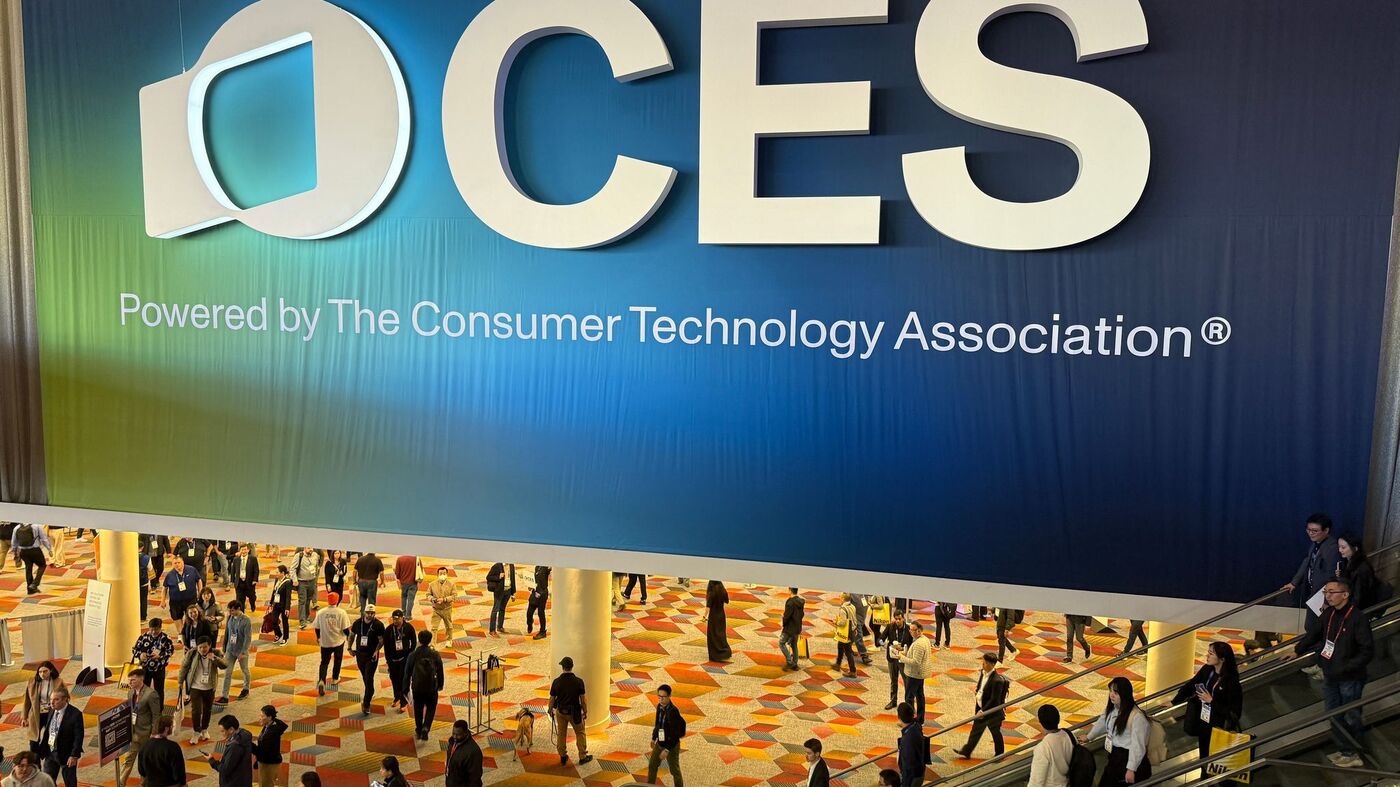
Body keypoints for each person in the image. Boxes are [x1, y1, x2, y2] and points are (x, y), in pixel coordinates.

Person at [1281, 577, 1374, 768]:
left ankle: (1354, 753)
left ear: (1345, 594)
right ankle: (1344, 749)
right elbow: (1313, 634)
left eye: (1332, 592)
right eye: (1326, 592)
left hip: (1350, 678)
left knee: (1351, 715)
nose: (1327, 596)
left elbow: (1367, 650)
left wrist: (1346, 667)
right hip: (1331, 674)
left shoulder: (1357, 618)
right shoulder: (1330, 613)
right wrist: (1297, 650)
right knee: (1333, 714)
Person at [1173, 641, 1242, 776]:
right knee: (1204, 761)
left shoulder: (1231, 682)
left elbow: (1234, 713)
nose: (1207, 656)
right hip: (1204, 724)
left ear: (1222, 659)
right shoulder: (1208, 670)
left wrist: (1211, 701)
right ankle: (1204, 779)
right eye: (1208, 652)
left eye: (1211, 653)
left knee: (1219, 765)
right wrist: (1174, 701)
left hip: (1220, 730)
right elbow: (1192, 684)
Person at [1081, 676, 1152, 785]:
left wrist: (1131, 769)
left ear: (1124, 694)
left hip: (1127, 758)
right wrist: (1089, 736)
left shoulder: (1137, 717)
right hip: (1114, 756)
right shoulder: (1113, 708)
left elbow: (1137, 746)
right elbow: (1102, 722)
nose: (1111, 695)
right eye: (1110, 691)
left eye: (1116, 693)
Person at [1281, 512, 1340, 625]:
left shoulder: (1332, 548)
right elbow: (1307, 562)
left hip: (1321, 595)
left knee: (1314, 626)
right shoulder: (1315, 544)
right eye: (1308, 530)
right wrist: (1294, 583)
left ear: (1326, 530)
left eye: (1315, 531)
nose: (1310, 533)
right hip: (1311, 592)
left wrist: (1327, 599)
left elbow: (1331, 577)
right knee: (1310, 625)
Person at [954, 653, 1010, 758]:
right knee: (976, 730)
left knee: (995, 732)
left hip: (992, 712)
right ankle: (967, 750)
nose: (983, 664)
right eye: (983, 662)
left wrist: (983, 711)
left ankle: (999, 754)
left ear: (992, 664)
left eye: (985, 663)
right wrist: (978, 692)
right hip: (981, 708)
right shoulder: (982, 673)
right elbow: (981, 686)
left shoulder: (997, 681)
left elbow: (995, 699)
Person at [117, 668, 163, 787]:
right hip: (133, 732)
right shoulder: (130, 692)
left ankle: (143, 784)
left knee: (144, 762)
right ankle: (120, 783)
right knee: (128, 759)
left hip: (146, 734)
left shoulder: (151, 694)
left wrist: (154, 733)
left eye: (133, 680)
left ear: (141, 679)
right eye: (129, 680)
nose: (130, 682)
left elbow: (156, 715)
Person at [179, 637, 227, 744]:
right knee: (196, 710)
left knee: (207, 709)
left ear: (209, 646)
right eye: (200, 647)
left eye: (205, 647)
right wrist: (180, 681)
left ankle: (205, 729)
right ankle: (196, 731)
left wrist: (214, 658)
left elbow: (224, 665)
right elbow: (184, 667)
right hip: (195, 687)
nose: (202, 649)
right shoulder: (192, 653)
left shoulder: (216, 653)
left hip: (209, 687)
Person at [548, 656, 593, 765]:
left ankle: (562, 755)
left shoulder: (556, 682)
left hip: (560, 712)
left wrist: (550, 710)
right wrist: (585, 711)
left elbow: (552, 698)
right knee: (580, 732)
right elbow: (583, 700)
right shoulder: (579, 682)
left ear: (562, 667)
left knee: (561, 734)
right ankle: (582, 756)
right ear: (572, 667)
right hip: (575, 713)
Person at [39, 685, 82, 787]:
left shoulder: (75, 714)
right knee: (47, 781)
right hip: (51, 752)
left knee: (70, 782)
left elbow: (78, 737)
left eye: (56, 699)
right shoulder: (51, 709)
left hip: (66, 754)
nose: (52, 702)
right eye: (51, 699)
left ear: (65, 699)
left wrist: (74, 756)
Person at [406, 630, 444, 740]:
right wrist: (440, 684)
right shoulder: (435, 654)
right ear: (430, 640)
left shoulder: (413, 655)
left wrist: (405, 687)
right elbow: (440, 670)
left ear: (419, 640)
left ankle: (419, 729)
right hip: (431, 687)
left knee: (418, 709)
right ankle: (426, 727)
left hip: (417, 687)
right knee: (431, 708)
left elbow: (407, 672)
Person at [349, 603, 386, 715]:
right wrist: (349, 648)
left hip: (372, 656)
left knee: (369, 677)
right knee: (365, 677)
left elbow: (381, 640)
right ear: (364, 612)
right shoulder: (357, 623)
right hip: (360, 654)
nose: (370, 615)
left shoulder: (378, 625)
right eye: (368, 613)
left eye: (372, 613)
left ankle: (366, 704)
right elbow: (352, 635)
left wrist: (376, 650)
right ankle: (370, 691)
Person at [894, 620, 933, 726]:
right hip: (920, 674)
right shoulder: (924, 639)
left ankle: (908, 721)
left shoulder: (919, 644)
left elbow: (915, 662)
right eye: (910, 629)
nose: (910, 632)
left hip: (914, 674)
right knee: (920, 696)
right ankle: (920, 720)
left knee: (909, 698)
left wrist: (901, 657)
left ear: (919, 631)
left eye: (912, 630)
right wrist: (906, 653)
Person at [645, 683, 685, 785]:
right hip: (660, 742)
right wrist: (654, 738)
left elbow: (675, 734)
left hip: (671, 745)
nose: (661, 699)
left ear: (669, 696)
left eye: (663, 697)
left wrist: (667, 750)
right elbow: (658, 724)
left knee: (674, 770)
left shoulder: (673, 712)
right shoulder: (659, 707)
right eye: (659, 697)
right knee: (652, 765)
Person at [313, 591, 351, 696]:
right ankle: (335, 678)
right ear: (337, 600)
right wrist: (349, 637)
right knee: (338, 660)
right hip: (338, 641)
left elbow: (317, 627)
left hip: (325, 642)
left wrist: (318, 637)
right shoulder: (341, 613)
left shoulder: (321, 612)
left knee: (324, 662)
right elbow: (345, 629)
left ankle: (322, 680)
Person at [22, 662, 63, 754]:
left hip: (52, 713)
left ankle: (50, 757)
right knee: (34, 741)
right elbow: (27, 700)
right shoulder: (32, 682)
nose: (42, 674)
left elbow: (65, 698)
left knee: (51, 738)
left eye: (45, 671)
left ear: (51, 670)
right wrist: (24, 717)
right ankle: (35, 760)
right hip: (36, 714)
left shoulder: (58, 682)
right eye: (40, 672)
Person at [217, 601, 253, 704]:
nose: (230, 612)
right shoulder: (230, 618)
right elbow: (227, 634)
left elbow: (248, 638)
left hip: (241, 650)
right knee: (227, 672)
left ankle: (246, 689)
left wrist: (243, 652)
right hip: (230, 649)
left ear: (238, 609)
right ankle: (225, 696)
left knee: (244, 670)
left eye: (232, 610)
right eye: (229, 610)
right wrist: (224, 648)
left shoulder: (246, 620)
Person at [1028, 704, 1072, 787]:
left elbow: (1036, 782)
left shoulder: (1043, 747)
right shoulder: (1069, 735)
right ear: (1058, 719)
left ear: (1040, 722)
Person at [137, 715, 185, 787]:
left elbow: (141, 771)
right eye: (172, 726)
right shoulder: (173, 747)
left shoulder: (144, 746)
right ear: (166, 729)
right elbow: (178, 773)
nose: (173, 728)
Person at [206, 715, 253, 787]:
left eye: (223, 731)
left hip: (233, 783)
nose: (222, 734)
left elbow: (225, 769)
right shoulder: (244, 736)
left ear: (231, 729)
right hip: (244, 780)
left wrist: (211, 760)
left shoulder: (234, 746)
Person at [384, 609, 418, 712]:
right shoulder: (389, 629)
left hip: (404, 659)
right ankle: (397, 697)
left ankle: (404, 701)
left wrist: (410, 655)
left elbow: (414, 642)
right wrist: (388, 660)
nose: (395, 621)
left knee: (403, 680)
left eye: (397, 619)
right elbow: (386, 647)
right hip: (393, 660)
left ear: (402, 618)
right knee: (394, 679)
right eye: (394, 619)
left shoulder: (408, 628)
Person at [1337, 533, 1378, 611]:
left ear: (1355, 548)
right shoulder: (1348, 562)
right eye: (1339, 547)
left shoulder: (1362, 569)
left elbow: (1358, 597)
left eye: (1343, 547)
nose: (1340, 550)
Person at [882, 610, 913, 710]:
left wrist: (904, 648)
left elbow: (912, 643)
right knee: (893, 680)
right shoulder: (890, 627)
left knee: (906, 681)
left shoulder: (908, 629)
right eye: (896, 619)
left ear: (903, 618)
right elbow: (881, 639)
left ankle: (908, 703)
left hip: (903, 659)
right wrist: (884, 645)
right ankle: (893, 701)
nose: (897, 621)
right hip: (892, 658)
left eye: (899, 619)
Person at [12, 523, 53, 594]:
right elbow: (44, 539)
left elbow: (14, 542)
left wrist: (15, 552)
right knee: (42, 565)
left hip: (23, 551)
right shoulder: (37, 526)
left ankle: (30, 590)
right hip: (35, 550)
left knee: (28, 568)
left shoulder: (16, 528)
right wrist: (49, 549)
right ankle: (34, 584)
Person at [251, 705, 286, 787]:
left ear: (269, 717)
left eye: (262, 716)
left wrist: (249, 744)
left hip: (269, 763)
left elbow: (261, 751)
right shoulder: (270, 725)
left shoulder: (271, 734)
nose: (260, 718)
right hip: (268, 760)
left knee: (265, 784)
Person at [163, 555, 203, 621]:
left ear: (183, 562)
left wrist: (200, 592)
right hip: (175, 602)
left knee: (192, 618)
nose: (177, 564)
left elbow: (199, 580)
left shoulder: (191, 570)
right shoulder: (170, 575)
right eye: (175, 563)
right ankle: (181, 628)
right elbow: (165, 588)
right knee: (177, 618)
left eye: (179, 562)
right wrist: (163, 600)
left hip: (190, 600)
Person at [445, 719, 484, 787]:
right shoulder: (452, 741)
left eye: (458, 735)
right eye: (453, 733)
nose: (454, 737)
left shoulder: (473, 752)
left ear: (465, 733)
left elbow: (475, 778)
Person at [292, 547, 322, 628]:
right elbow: (292, 569)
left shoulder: (315, 555)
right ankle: (302, 621)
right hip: (302, 582)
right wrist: (295, 580)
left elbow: (316, 567)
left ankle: (307, 617)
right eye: (309, 548)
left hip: (312, 581)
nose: (311, 549)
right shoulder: (299, 556)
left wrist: (316, 578)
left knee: (308, 600)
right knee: (302, 601)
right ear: (305, 548)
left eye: (312, 548)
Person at [896, 702, 924, 787]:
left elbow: (908, 767)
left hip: (911, 778)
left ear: (899, 717)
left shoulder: (908, 739)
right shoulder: (916, 726)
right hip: (919, 772)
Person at [703, 580, 732, 662]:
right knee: (721, 634)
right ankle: (724, 651)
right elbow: (727, 601)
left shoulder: (711, 593)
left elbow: (708, 607)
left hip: (713, 616)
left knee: (713, 635)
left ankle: (715, 654)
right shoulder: (723, 591)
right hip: (721, 615)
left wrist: (704, 616)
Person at [427, 567, 458, 644]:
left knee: (449, 627)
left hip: (447, 609)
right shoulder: (432, 584)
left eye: (444, 573)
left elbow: (454, 596)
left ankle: (449, 641)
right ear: (437, 574)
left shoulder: (451, 584)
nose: (442, 575)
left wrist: (444, 599)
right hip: (436, 610)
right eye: (440, 573)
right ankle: (433, 644)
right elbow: (428, 594)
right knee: (434, 628)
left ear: (447, 574)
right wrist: (433, 599)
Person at [833, 593, 859, 676]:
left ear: (843, 599)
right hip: (852, 631)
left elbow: (843, 622)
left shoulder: (843, 609)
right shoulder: (853, 606)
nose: (839, 598)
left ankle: (853, 671)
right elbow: (854, 619)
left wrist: (836, 622)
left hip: (846, 633)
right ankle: (838, 664)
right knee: (840, 646)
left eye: (840, 597)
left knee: (848, 652)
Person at [779, 587, 805, 671]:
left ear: (790, 590)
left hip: (789, 628)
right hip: (797, 627)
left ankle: (789, 662)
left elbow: (787, 616)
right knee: (794, 645)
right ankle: (795, 664)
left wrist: (784, 623)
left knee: (781, 643)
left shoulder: (790, 602)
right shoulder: (801, 601)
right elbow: (802, 614)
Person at [230, 544, 259, 612]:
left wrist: (255, 580)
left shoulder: (253, 559)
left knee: (252, 597)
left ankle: (252, 605)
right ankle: (242, 613)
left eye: (245, 549)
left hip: (249, 582)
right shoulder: (236, 559)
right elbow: (233, 571)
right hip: (239, 583)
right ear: (240, 551)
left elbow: (256, 570)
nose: (244, 551)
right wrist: (232, 581)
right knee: (240, 600)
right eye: (242, 550)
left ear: (248, 550)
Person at [267, 566, 293, 645]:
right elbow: (274, 592)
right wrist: (271, 603)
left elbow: (288, 596)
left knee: (285, 622)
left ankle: (285, 638)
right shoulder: (277, 580)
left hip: (284, 605)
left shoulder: (288, 582)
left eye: (277, 572)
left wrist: (287, 608)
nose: (276, 574)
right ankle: (278, 634)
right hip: (276, 604)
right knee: (274, 620)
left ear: (282, 573)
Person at [526, 564, 550, 640]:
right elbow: (535, 580)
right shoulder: (537, 567)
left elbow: (550, 569)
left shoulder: (546, 567)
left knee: (541, 612)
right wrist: (531, 586)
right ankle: (529, 623)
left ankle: (542, 632)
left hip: (543, 593)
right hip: (535, 592)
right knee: (529, 612)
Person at [486, 562, 509, 636]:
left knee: (502, 609)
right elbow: (488, 577)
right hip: (499, 591)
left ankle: (500, 627)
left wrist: (513, 592)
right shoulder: (497, 565)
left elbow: (513, 579)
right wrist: (499, 576)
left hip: (508, 591)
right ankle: (492, 630)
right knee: (495, 610)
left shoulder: (511, 565)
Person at [849, 593, 873, 665]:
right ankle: (864, 655)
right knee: (859, 636)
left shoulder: (864, 593)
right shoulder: (851, 593)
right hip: (855, 619)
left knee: (852, 636)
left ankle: (847, 649)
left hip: (862, 619)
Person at [394, 554, 420, 618]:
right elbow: (420, 570)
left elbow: (397, 572)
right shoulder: (416, 558)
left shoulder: (400, 559)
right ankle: (408, 615)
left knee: (404, 598)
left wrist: (400, 578)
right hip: (413, 582)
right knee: (411, 599)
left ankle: (403, 614)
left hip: (403, 583)